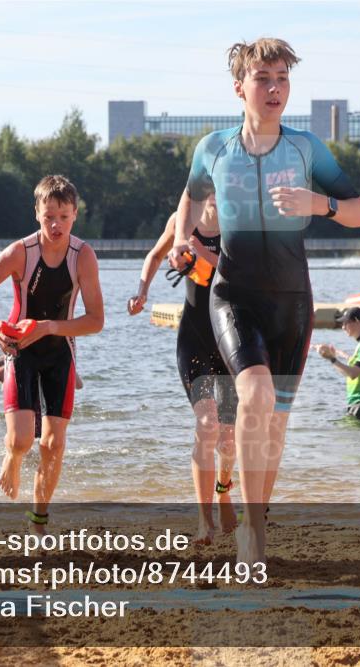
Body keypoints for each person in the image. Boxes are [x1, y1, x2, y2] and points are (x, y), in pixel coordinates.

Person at [167, 38, 360, 565]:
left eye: (282, 78)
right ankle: (250, 536)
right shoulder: (213, 148)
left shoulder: (306, 149)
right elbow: (190, 196)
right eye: (264, 78)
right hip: (232, 294)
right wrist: (179, 240)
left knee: (274, 425)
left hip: (292, 303)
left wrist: (317, 203)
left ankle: (255, 525)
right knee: (254, 399)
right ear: (240, 87)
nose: (275, 88)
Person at [0, 175, 104, 531]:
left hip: (60, 353)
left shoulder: (83, 256)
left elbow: (95, 320)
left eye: (63, 216)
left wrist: (47, 327)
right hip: (20, 351)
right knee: (22, 440)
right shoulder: (20, 253)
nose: (55, 225)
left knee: (54, 444)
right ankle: (11, 458)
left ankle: (38, 521)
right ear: (37, 214)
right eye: (48, 217)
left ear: (75, 214)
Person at [128, 195, 238, 544]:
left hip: (231, 340)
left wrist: (198, 252)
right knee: (206, 426)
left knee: (230, 438)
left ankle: (224, 489)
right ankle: (204, 519)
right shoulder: (182, 220)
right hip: (193, 338)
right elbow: (155, 255)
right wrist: (142, 290)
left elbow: (237, 272)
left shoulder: (241, 224)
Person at [315, 307, 360, 420]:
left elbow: (353, 373)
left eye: (346, 323)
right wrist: (334, 357)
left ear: (357, 322)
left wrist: (332, 359)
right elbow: (351, 371)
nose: (343, 327)